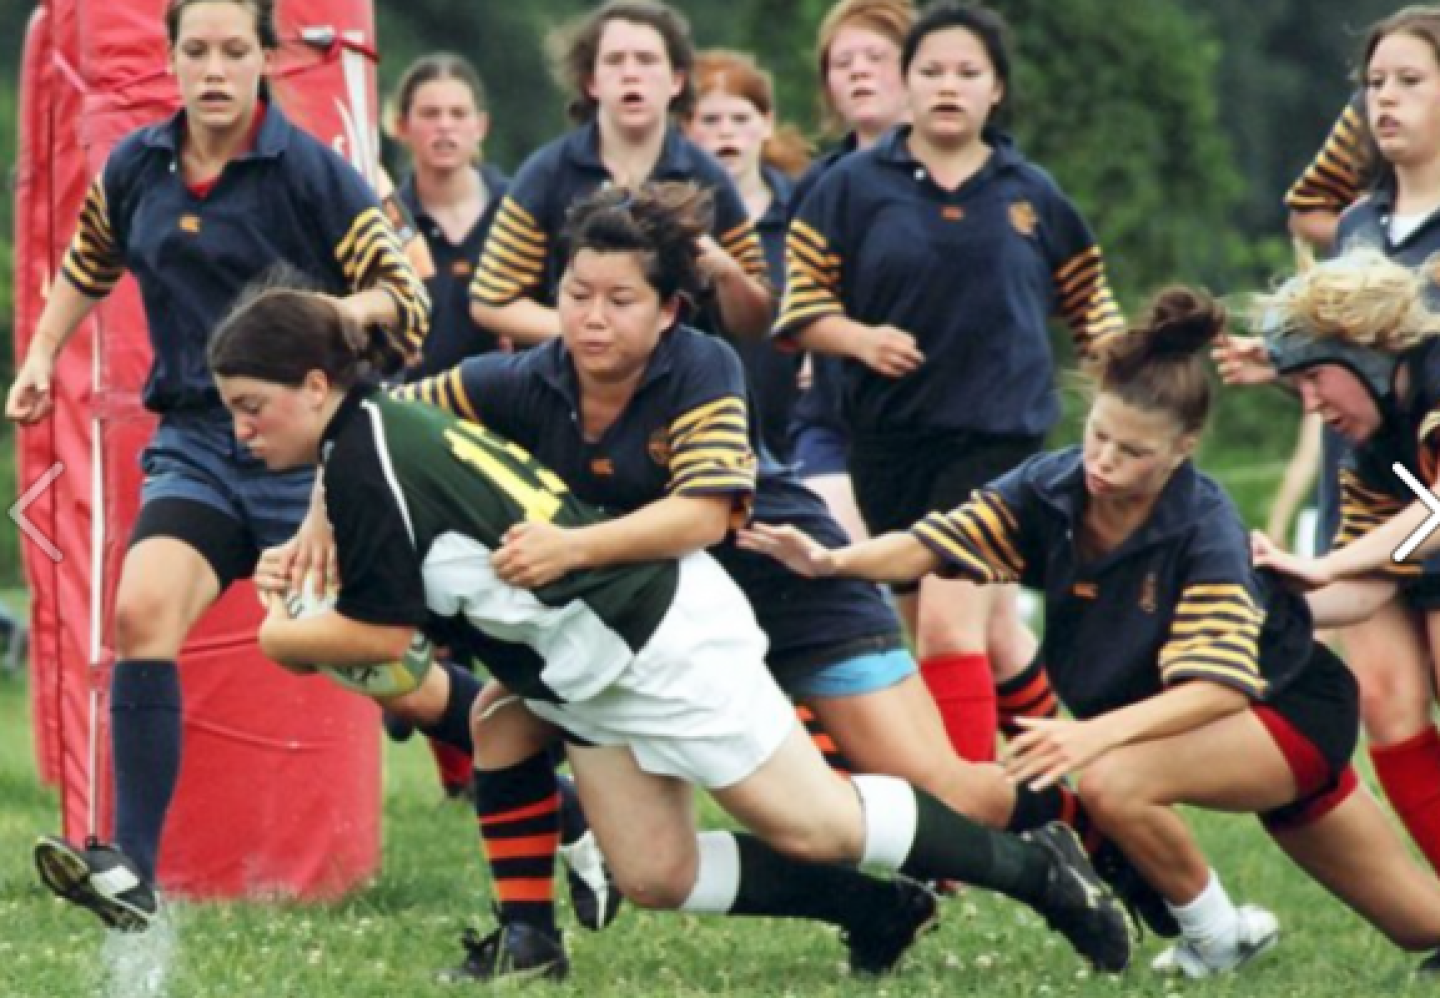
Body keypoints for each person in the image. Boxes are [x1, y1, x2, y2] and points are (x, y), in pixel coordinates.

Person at [206, 277, 1135, 985]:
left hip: (656, 642)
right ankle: (864, 910)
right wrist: (306, 539)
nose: (242, 430)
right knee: (649, 869)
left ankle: (1036, 871)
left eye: (252, 406)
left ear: (318, 383)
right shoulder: (369, 434)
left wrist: (280, 635)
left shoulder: (373, 456)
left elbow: (382, 645)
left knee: (818, 824)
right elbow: (377, 518)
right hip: (586, 663)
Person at [742, 285, 1440, 980]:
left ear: (1182, 448)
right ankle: (1226, 930)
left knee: (1112, 780)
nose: (1103, 462)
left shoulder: (1205, 528)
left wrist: (1088, 735)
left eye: (1131, 452)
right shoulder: (1054, 486)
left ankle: (1219, 936)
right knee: (1423, 926)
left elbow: (1221, 687)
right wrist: (834, 560)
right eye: (1098, 437)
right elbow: (935, 544)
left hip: (1283, 711)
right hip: (1240, 720)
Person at [11, 0, 429, 932]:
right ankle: (134, 874)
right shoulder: (138, 163)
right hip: (198, 443)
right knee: (139, 610)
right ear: (168, 59)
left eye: (233, 50)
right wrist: (40, 357)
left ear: (264, 57)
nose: (212, 68)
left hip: (309, 460)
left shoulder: (309, 170)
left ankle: (541, 788)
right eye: (194, 49)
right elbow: (89, 257)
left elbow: (405, 296)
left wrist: (338, 317)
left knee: (398, 671)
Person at [775, 1, 1123, 763]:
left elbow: (1091, 303)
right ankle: (1064, 799)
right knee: (959, 639)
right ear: (906, 82)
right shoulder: (850, 188)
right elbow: (799, 307)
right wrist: (858, 339)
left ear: (996, 89)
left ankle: (962, 830)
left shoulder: (1030, 193)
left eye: (969, 73)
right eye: (931, 71)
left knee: (948, 628)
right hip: (889, 444)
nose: (948, 87)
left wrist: (1132, 373)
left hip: (999, 441)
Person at [1220, 8, 1440, 874]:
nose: (1383, 100)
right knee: (1386, 703)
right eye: (1374, 83)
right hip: (1394, 482)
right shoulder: (1356, 222)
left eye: (1409, 81)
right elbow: (1350, 348)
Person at [468, 0, 771, 347]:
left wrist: (727, 272)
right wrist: (590, 329)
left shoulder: (708, 177)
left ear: (676, 80)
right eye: (614, 60)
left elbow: (756, 320)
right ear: (590, 82)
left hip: (683, 388)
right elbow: (490, 302)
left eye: (646, 59)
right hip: (571, 386)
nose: (630, 73)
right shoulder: (547, 173)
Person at [685, 49, 809, 461]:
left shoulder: (807, 209)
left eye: (740, 119)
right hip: (704, 423)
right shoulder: (676, 219)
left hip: (797, 419)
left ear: (767, 124)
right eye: (711, 120)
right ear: (685, 129)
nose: (727, 134)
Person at [391, 52, 512, 379]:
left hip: (512, 409)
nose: (445, 125)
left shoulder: (520, 211)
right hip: (415, 409)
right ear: (402, 126)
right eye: (430, 113)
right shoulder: (386, 222)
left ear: (481, 126)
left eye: (458, 114)